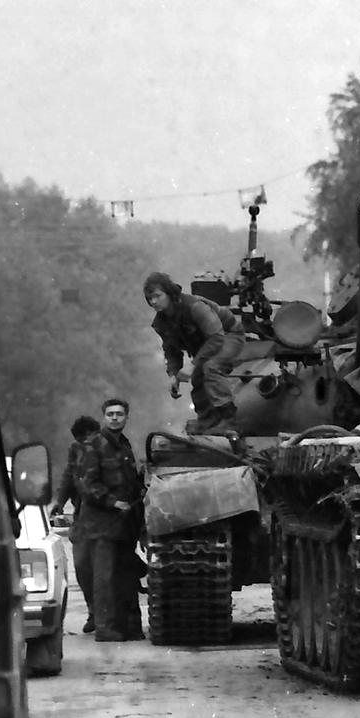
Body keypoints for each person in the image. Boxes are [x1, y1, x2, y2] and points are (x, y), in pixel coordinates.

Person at [74, 397, 146, 642]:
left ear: (126, 417)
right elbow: (87, 484)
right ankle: (105, 628)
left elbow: (131, 483)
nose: (115, 418)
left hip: (124, 524)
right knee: (104, 578)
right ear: (104, 417)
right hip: (102, 524)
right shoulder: (95, 445)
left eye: (119, 414)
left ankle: (129, 626)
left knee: (126, 576)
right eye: (111, 414)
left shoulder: (123, 445)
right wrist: (113, 502)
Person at [142, 272, 246, 434]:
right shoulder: (161, 323)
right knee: (198, 377)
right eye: (150, 298)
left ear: (169, 293)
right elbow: (171, 351)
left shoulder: (194, 307)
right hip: (206, 346)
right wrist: (173, 375)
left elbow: (217, 337)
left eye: (157, 296)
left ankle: (229, 420)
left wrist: (192, 364)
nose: (153, 301)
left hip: (228, 335)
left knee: (211, 367)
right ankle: (207, 421)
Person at [51, 415, 101, 634]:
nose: (86, 443)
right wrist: (59, 502)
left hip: (108, 515)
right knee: (82, 564)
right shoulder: (76, 451)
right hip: (83, 515)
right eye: (82, 440)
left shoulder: (109, 448)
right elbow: (69, 476)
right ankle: (94, 611)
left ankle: (110, 614)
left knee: (108, 569)